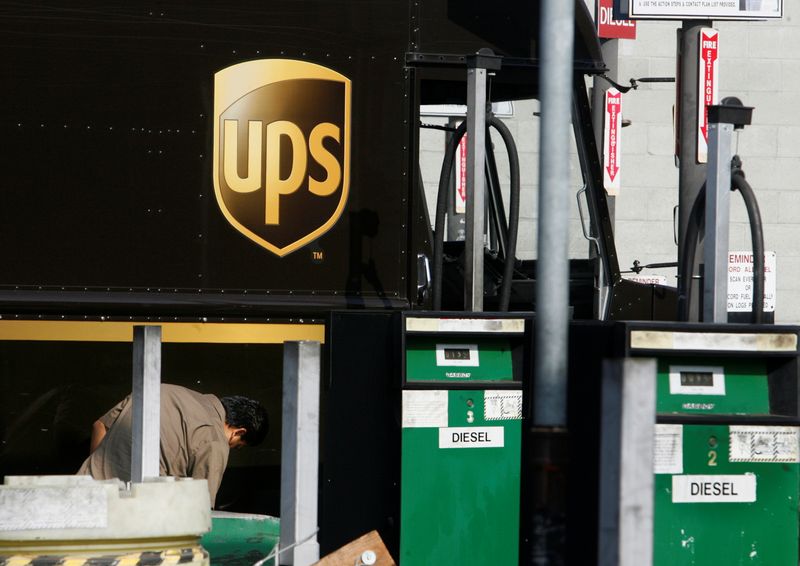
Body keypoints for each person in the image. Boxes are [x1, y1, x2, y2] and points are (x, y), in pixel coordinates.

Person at [77, 383, 268, 507]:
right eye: (238, 446)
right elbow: (200, 511)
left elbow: (100, 426)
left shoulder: (160, 390)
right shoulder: (215, 441)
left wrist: (100, 478)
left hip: (83, 495)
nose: (232, 448)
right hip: (132, 518)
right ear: (239, 432)